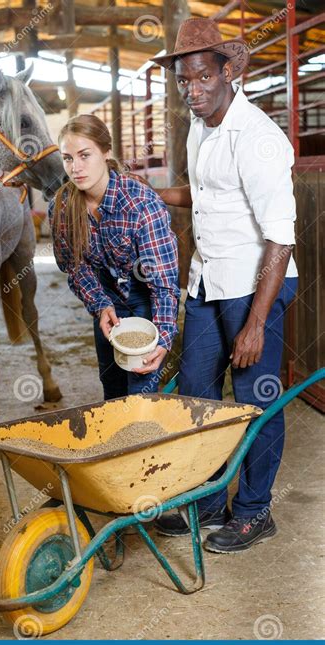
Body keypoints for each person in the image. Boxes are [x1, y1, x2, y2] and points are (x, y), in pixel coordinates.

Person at [152, 18, 298, 553]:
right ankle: (209, 502)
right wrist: (148, 193)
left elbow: (280, 240)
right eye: (183, 81)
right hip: (208, 284)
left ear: (229, 70)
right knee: (197, 395)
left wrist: (256, 324)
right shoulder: (201, 124)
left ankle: (255, 511)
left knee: (258, 399)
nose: (192, 90)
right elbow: (204, 192)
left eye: (201, 78)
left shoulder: (258, 138)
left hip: (254, 287)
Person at [49, 114, 179, 400]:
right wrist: (100, 305)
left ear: (106, 152)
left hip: (145, 296)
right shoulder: (61, 207)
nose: (76, 167)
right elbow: (75, 267)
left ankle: (143, 440)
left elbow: (164, 281)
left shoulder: (140, 203)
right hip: (106, 297)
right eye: (67, 158)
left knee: (141, 389)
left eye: (85, 155)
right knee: (112, 385)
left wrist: (165, 337)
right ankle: (119, 442)